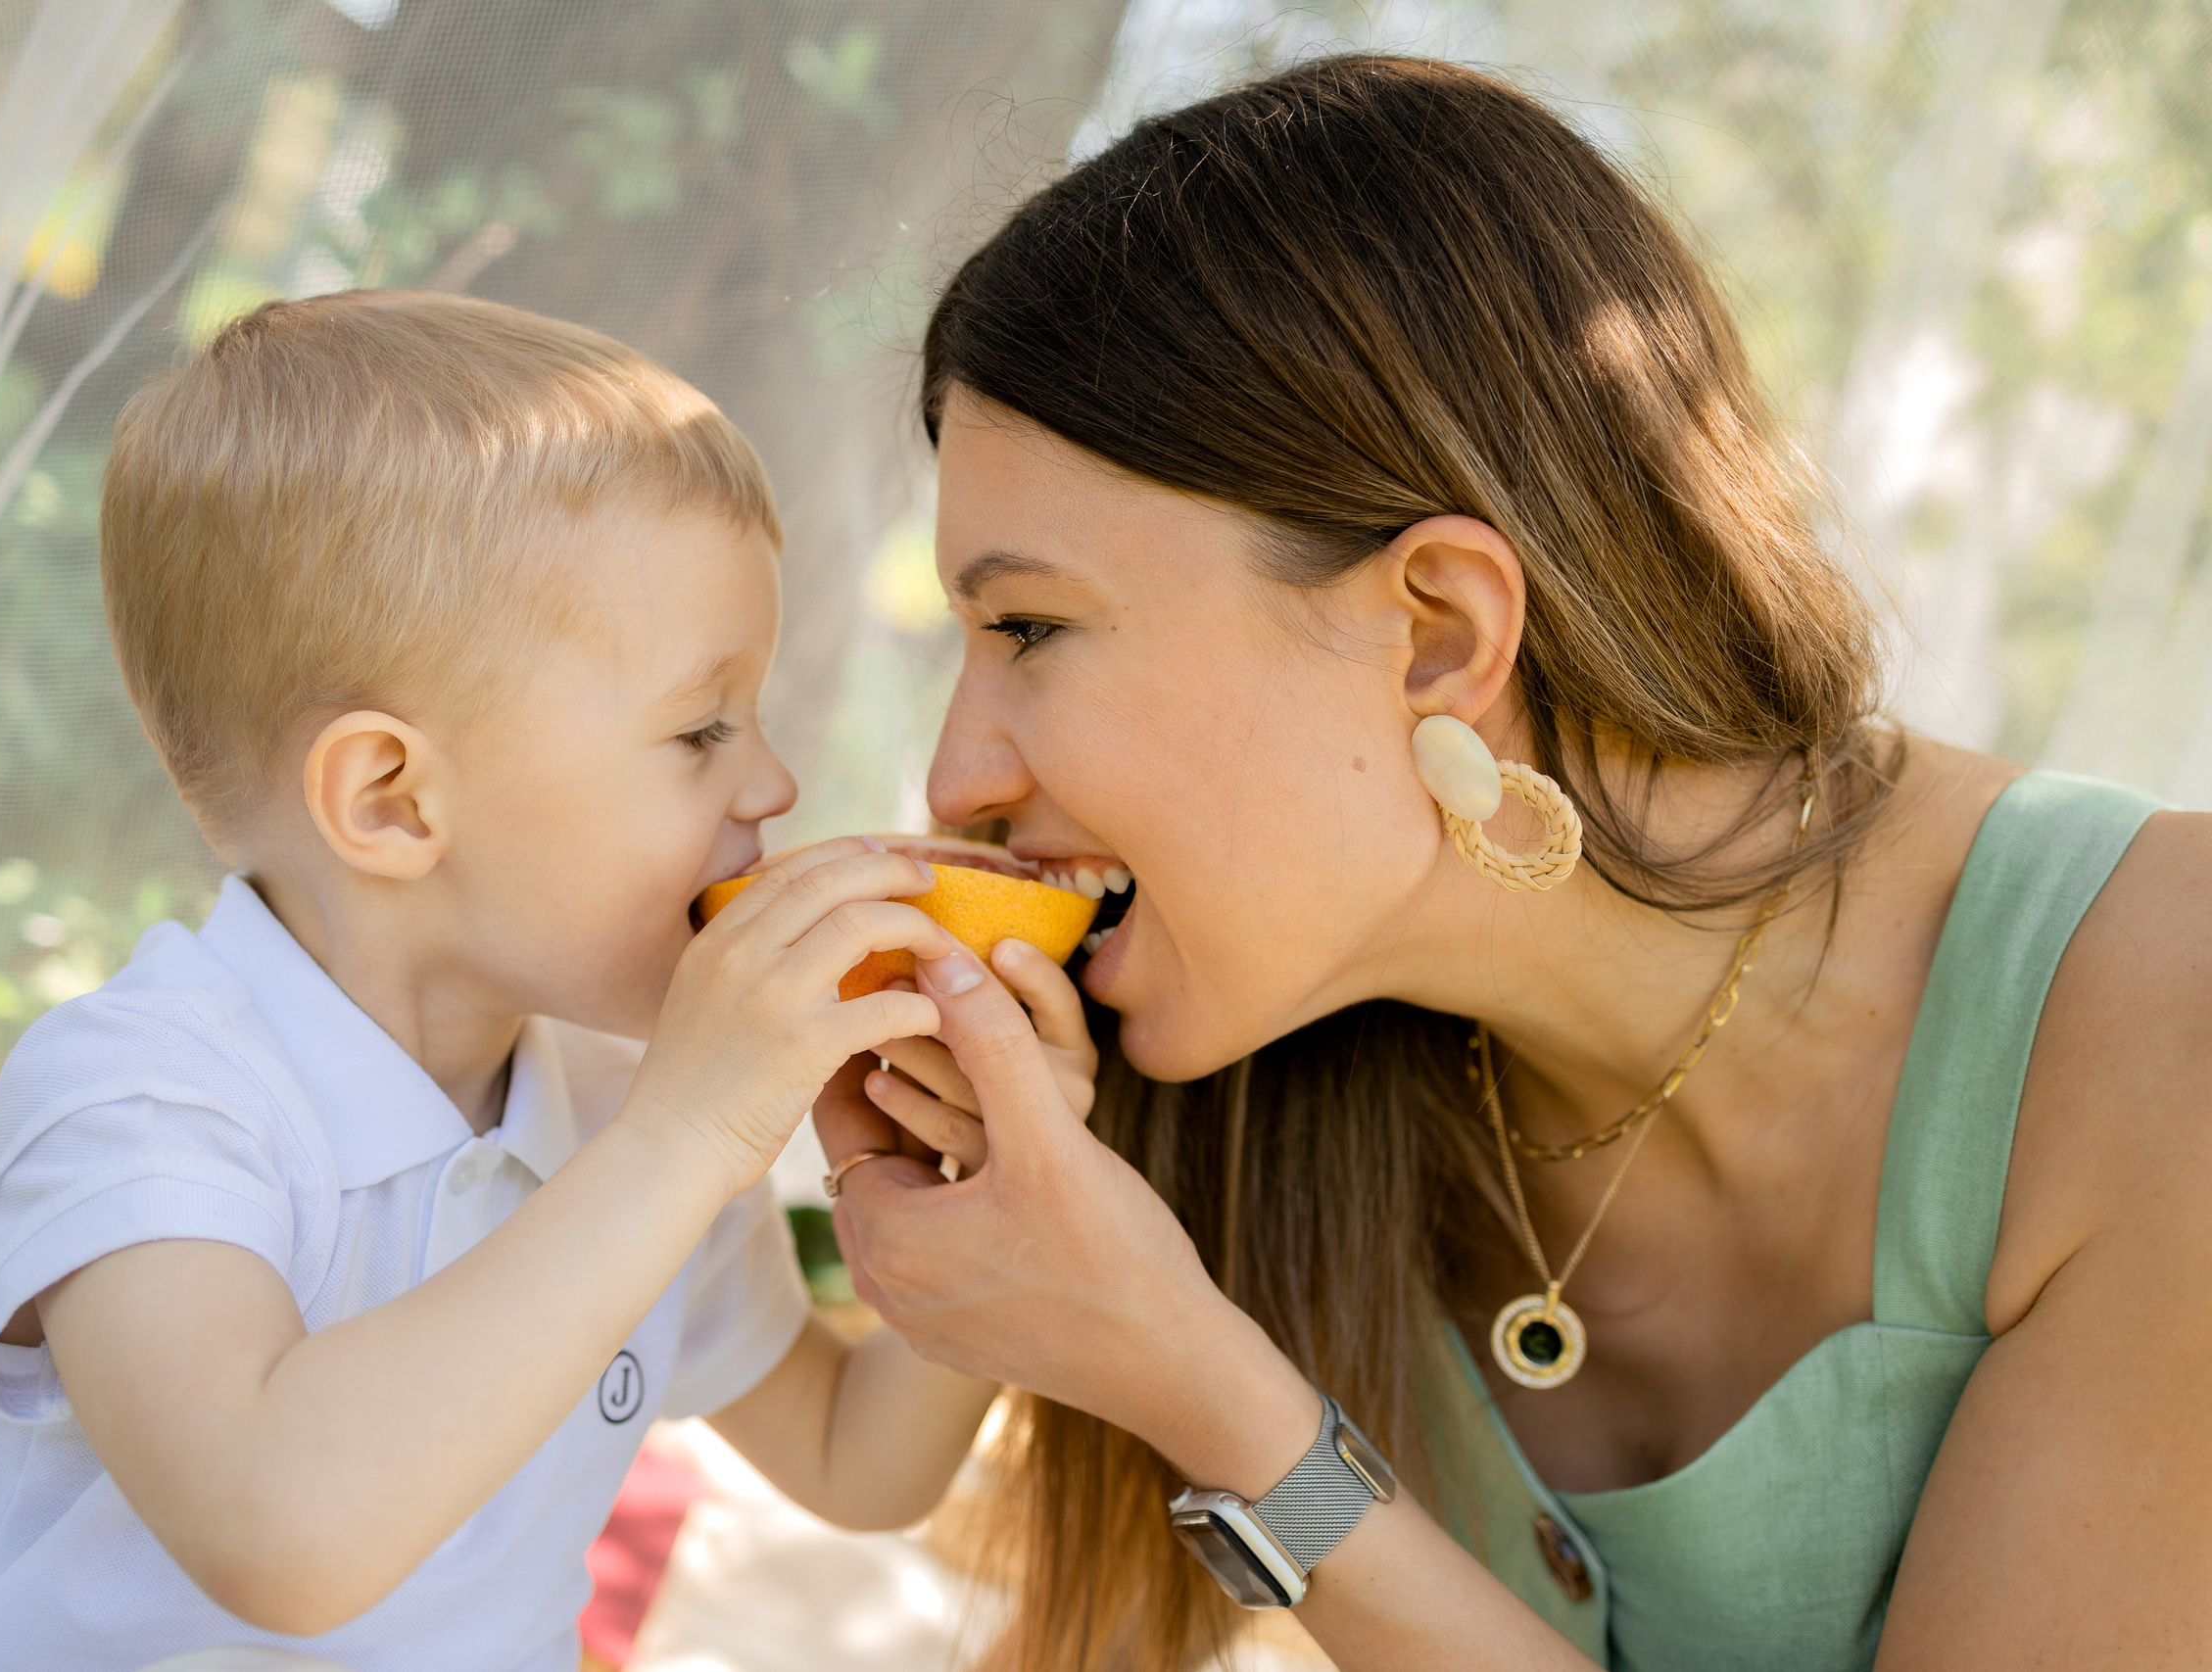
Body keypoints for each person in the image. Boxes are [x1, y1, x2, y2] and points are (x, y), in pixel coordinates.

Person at [815, 54, 2212, 1672]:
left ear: (1439, 633)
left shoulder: (2163, 1025)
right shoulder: (1267, 1087)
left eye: (1030, 627)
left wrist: (1201, 1386)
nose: (956, 775)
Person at [0, 292, 1078, 1671]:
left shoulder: (620, 1115)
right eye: (699, 728)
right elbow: (280, 1531)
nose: (774, 783)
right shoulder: (145, 1096)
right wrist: (682, 1141)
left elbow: (856, 1461)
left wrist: (982, 1195)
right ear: (391, 800)